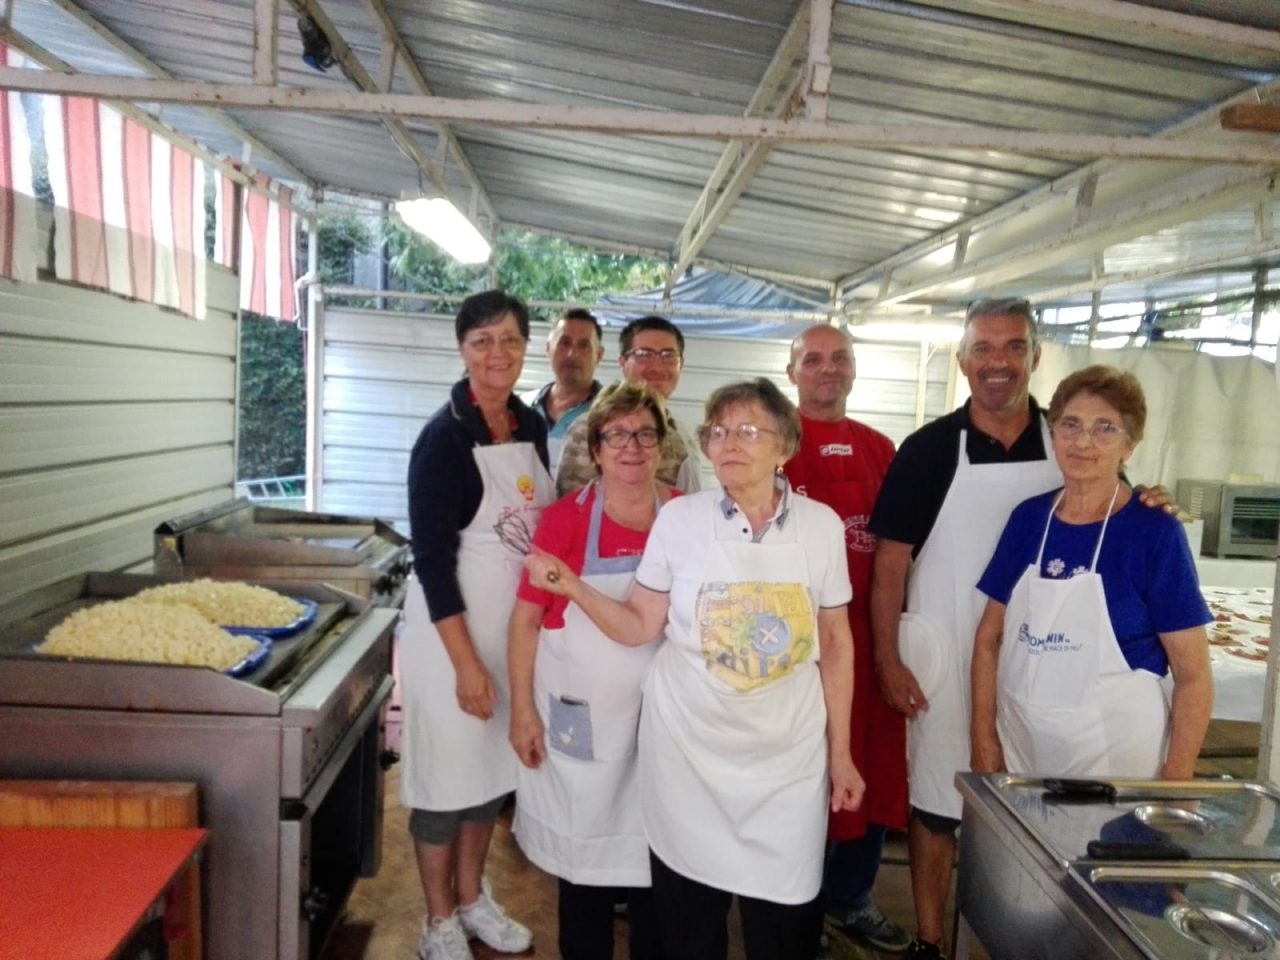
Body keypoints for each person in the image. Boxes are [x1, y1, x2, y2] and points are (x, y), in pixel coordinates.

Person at [868, 298, 1175, 960]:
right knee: (935, 803)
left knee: (1034, 812)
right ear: (963, 361)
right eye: (984, 348)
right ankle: (930, 939)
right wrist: (888, 659)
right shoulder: (927, 451)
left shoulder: (1064, 435)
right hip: (951, 654)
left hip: (1044, 664)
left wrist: (1153, 498)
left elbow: (1112, 507)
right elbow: (890, 565)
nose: (999, 362)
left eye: (1014, 347)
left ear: (1035, 356)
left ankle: (1026, 934)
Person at [527, 377, 865, 960]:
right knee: (689, 927)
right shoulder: (681, 520)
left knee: (784, 927)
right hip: (689, 757)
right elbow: (640, 624)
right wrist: (574, 587)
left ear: (784, 445)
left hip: (786, 761)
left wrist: (841, 754)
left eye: (748, 431)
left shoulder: (822, 527)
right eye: (719, 432)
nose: (730, 442)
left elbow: (834, 641)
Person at [401, 289, 553, 960]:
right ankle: (437, 919)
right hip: (450, 638)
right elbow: (433, 562)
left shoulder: (532, 425)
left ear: (526, 348)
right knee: (444, 783)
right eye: (483, 341)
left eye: (510, 340)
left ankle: (472, 898)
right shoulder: (442, 438)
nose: (498, 354)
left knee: (491, 779)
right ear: (462, 350)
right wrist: (465, 664)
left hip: (510, 637)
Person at [970, 365, 1212, 782]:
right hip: (1024, 754)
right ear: (1053, 434)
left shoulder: (1153, 532)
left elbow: (1193, 676)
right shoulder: (1029, 519)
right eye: (1070, 425)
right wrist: (982, 736)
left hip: (1118, 762)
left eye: (1105, 429)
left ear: (1129, 447)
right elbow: (989, 638)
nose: (1083, 442)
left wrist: (1175, 783)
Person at [508, 382, 677, 960]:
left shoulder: (683, 516)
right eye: (616, 436)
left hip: (663, 725)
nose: (632, 448)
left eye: (645, 434)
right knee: (585, 872)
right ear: (597, 449)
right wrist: (523, 713)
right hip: (586, 723)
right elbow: (525, 621)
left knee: (660, 869)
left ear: (661, 445)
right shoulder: (564, 522)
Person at [782, 324, 909, 953]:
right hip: (796, 646)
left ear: (854, 370)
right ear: (792, 372)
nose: (827, 370)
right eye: (813, 360)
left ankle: (851, 899)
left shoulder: (884, 450)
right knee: (803, 774)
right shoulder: (772, 449)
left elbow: (904, 551)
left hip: (870, 634)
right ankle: (795, 902)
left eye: (839, 359)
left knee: (875, 771)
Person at [556, 314, 702, 496]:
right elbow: (571, 511)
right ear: (623, 363)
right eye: (644, 355)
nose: (657, 366)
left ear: (681, 364)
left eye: (668, 355)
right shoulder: (587, 430)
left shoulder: (683, 436)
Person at [524, 308, 605, 474]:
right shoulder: (521, 408)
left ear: (599, 355)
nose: (572, 354)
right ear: (548, 348)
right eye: (564, 343)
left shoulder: (612, 414)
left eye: (584, 346)